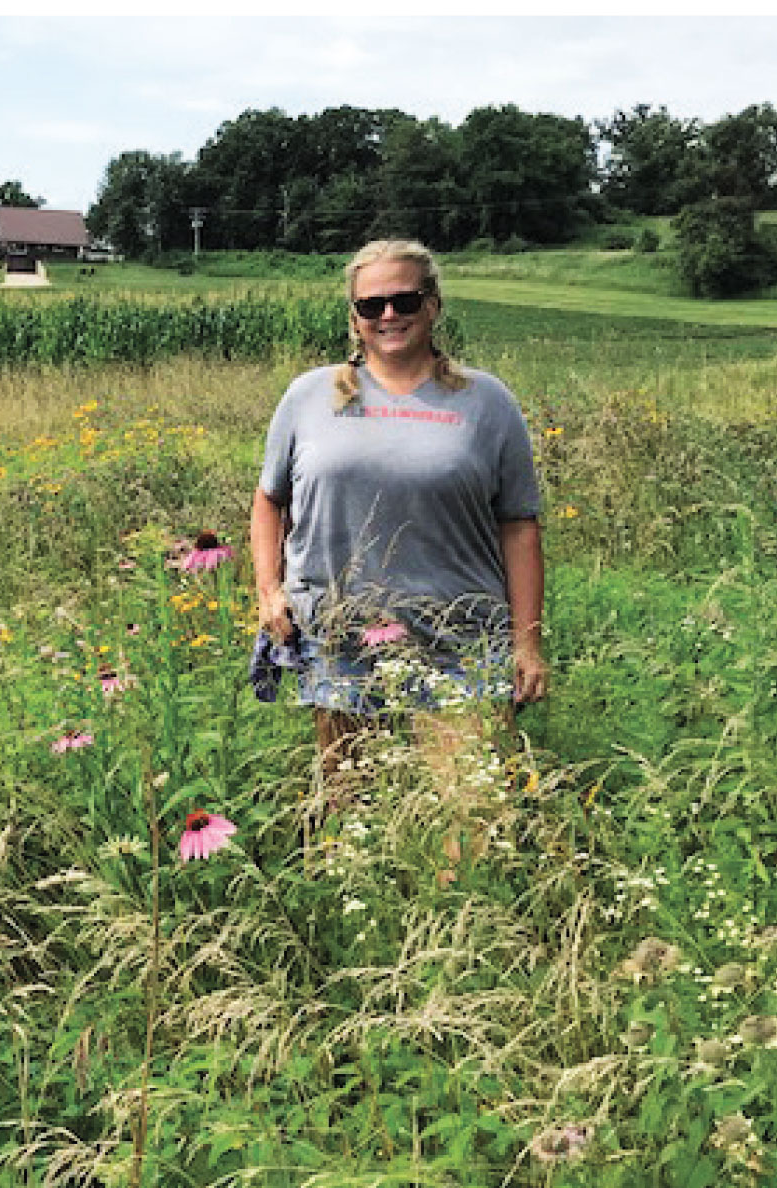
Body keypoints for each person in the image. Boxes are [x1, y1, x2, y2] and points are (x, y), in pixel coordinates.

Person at [250, 239, 546, 866]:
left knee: (474, 819)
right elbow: (269, 500)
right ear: (353, 316)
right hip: (341, 636)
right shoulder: (309, 397)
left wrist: (526, 642)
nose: (388, 315)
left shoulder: (485, 402)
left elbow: (519, 524)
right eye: (371, 304)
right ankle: (370, 940)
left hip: (459, 638)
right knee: (350, 815)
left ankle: (459, 940)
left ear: (433, 305)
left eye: (404, 299)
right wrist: (269, 591)